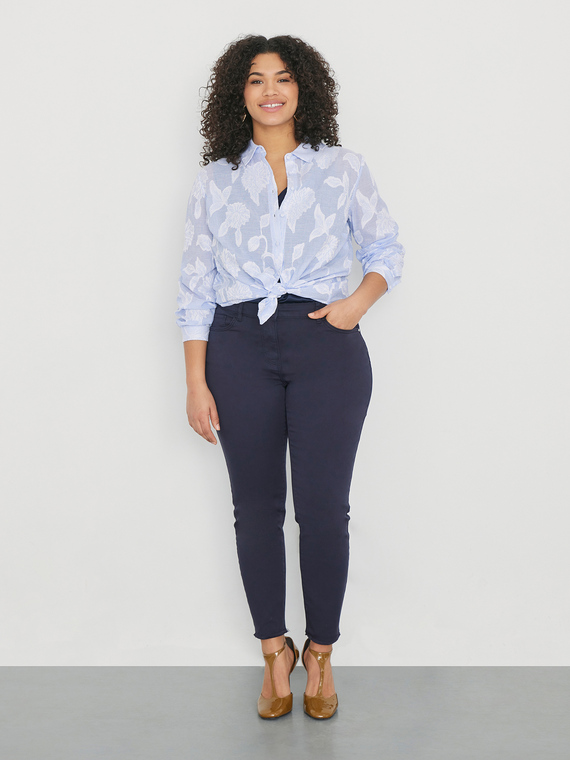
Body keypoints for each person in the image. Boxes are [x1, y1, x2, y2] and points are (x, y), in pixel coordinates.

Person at [175, 34, 405, 720]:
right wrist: (196, 381)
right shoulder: (216, 180)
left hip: (325, 345)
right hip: (237, 346)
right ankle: (275, 652)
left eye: (282, 77)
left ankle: (322, 655)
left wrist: (355, 305)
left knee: (324, 509)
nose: (270, 90)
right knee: (255, 509)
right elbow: (195, 284)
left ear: (304, 87)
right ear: (238, 94)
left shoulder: (342, 168)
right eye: (255, 79)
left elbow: (386, 247)